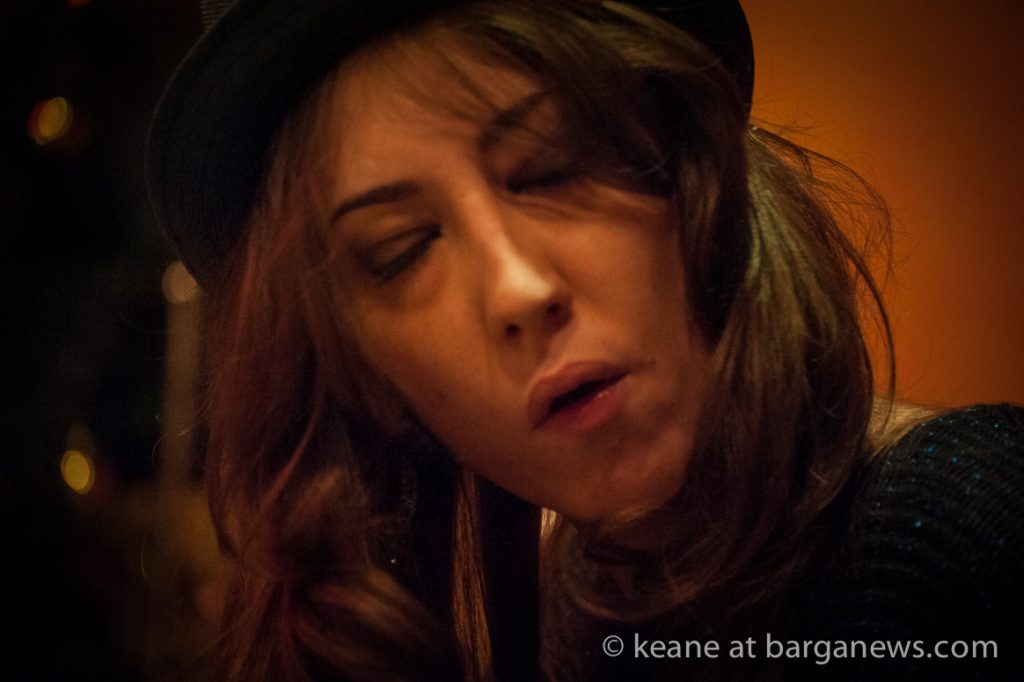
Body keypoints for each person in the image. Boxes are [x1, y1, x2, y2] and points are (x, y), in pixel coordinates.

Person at [147, 0, 1023, 679]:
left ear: (689, 170)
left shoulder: (972, 529)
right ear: (363, 369)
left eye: (551, 166)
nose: (518, 290)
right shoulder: (570, 612)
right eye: (402, 250)